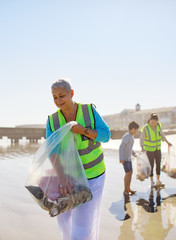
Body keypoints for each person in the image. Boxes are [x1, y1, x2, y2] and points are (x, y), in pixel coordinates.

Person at [46, 79, 111, 240]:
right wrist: (61, 177)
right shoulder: (52, 120)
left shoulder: (89, 110)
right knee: (64, 220)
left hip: (93, 176)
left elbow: (106, 135)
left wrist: (83, 130)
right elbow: (51, 152)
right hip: (67, 177)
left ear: (71, 93)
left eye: (62, 96)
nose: (58, 100)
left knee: (83, 223)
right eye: (54, 97)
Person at [140, 113, 172, 187]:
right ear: (149, 121)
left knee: (158, 164)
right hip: (149, 150)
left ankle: (158, 180)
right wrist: (142, 147)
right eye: (152, 122)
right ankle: (152, 181)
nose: (153, 124)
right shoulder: (146, 128)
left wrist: (167, 142)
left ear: (157, 122)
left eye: (155, 123)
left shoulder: (158, 127)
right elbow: (141, 139)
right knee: (151, 165)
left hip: (157, 149)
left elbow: (162, 135)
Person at [119, 121, 139, 195]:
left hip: (129, 158)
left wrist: (134, 154)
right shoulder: (127, 136)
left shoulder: (131, 137)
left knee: (130, 173)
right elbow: (121, 147)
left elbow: (129, 148)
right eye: (136, 130)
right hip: (125, 159)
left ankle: (128, 188)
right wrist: (121, 158)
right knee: (128, 173)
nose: (136, 132)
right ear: (133, 129)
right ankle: (125, 190)